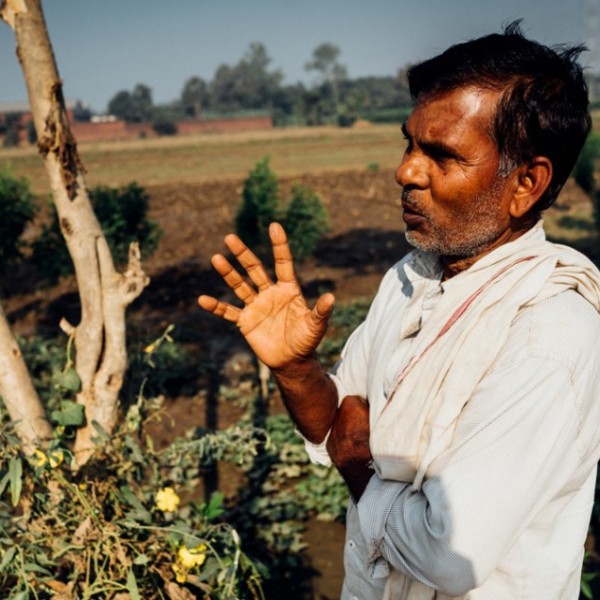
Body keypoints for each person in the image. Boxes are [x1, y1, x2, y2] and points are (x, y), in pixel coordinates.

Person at [198, 22, 600, 599]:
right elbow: (338, 422)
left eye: (442, 155)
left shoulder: (550, 335)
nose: (406, 171)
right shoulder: (412, 276)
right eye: (410, 143)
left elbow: (448, 554)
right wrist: (296, 371)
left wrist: (359, 467)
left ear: (526, 184)